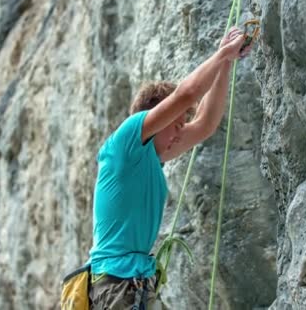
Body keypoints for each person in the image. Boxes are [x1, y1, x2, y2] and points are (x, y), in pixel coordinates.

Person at [87, 26, 254, 310]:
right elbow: (187, 95)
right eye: (175, 124)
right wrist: (221, 52)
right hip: (116, 282)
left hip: (131, 282)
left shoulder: (150, 157)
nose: (179, 133)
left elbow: (205, 124)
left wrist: (226, 64)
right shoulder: (126, 141)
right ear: (155, 117)